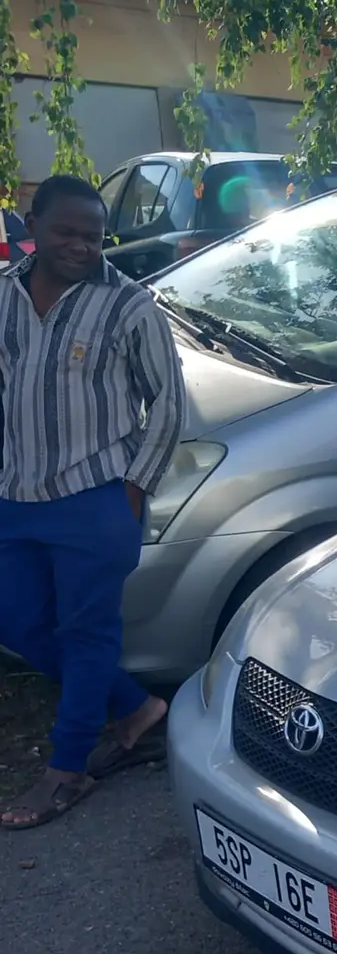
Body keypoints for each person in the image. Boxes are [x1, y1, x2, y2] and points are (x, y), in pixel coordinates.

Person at [0, 174, 187, 830]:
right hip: (15, 493)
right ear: (33, 225)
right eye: (66, 232)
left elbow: (168, 401)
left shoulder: (129, 305)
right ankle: (138, 708)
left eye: (92, 234)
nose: (81, 246)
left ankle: (68, 766)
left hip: (97, 495)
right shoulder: (5, 296)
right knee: (18, 621)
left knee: (86, 633)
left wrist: (134, 489)